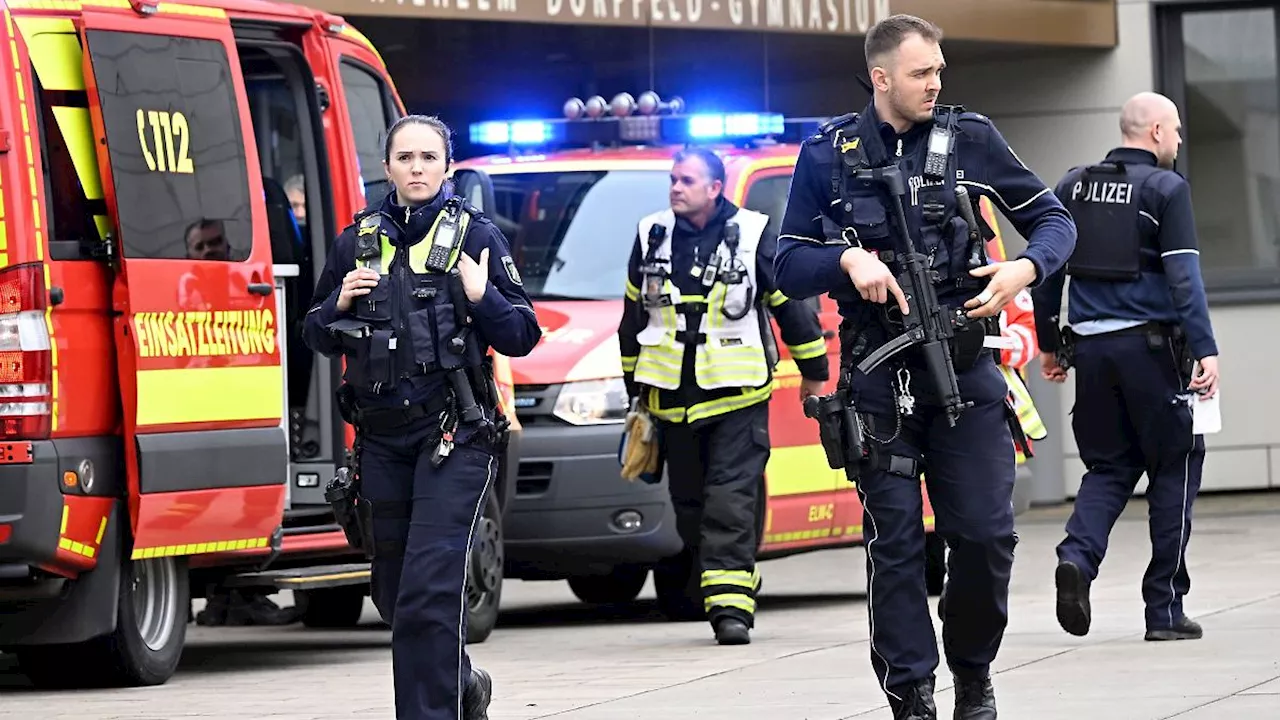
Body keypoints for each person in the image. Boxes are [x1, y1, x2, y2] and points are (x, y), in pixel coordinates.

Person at [773, 14, 1076, 720]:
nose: (936, 83)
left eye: (939, 70)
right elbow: (785, 261)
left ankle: (973, 671)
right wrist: (846, 259)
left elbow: (1056, 221)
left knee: (985, 535)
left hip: (967, 366)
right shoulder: (826, 154)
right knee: (897, 545)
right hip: (879, 377)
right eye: (921, 73)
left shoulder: (970, 138)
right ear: (881, 78)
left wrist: (1022, 270)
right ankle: (911, 693)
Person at [303, 114, 541, 720]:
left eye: (428, 158)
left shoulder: (478, 237)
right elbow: (316, 335)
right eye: (404, 158)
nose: (416, 168)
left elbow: (523, 336)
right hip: (381, 439)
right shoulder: (355, 241)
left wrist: (485, 295)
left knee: (431, 592)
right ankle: (461, 684)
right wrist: (339, 302)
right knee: (394, 592)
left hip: (454, 435)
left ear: (447, 167)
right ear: (386, 168)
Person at [618, 147, 829, 646]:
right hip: (671, 401)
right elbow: (632, 321)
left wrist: (815, 373)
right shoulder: (651, 235)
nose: (675, 188)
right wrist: (635, 394)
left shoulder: (755, 234)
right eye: (672, 179)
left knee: (730, 503)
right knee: (690, 508)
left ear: (715, 188)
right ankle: (735, 579)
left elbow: (791, 308)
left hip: (737, 398)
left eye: (686, 180)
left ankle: (732, 612)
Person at [1031, 91, 1219, 644]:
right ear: (1157, 132)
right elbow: (1183, 278)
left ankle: (1077, 559)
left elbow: (1046, 271)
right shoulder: (1165, 189)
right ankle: (1163, 610)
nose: (1180, 141)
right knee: (1175, 466)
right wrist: (1205, 348)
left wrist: (1050, 344)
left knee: (1108, 468)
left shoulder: (1071, 186)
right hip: (1153, 353)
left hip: (1090, 354)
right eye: (1177, 131)